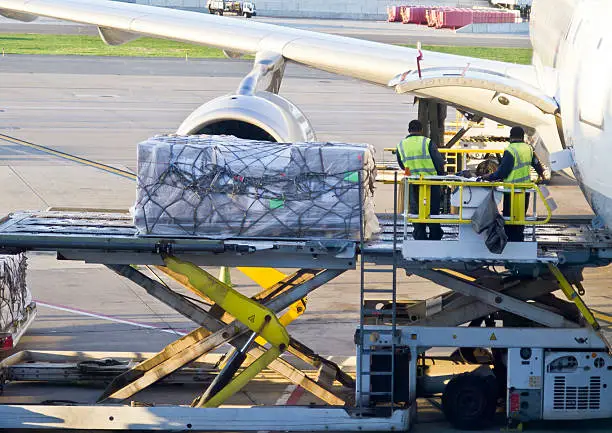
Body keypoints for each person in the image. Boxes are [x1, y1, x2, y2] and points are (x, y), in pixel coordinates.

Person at [481, 126, 546, 242]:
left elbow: (503, 172)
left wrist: (488, 177)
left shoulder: (510, 150)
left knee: (510, 218)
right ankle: (519, 239)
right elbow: (536, 163)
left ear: (511, 137)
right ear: (522, 137)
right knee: (520, 217)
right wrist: (541, 174)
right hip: (525, 190)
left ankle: (511, 242)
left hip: (512, 191)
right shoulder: (529, 148)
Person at [396, 119, 446, 240]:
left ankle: (419, 234)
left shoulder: (401, 145)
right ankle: (435, 235)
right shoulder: (427, 142)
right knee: (432, 210)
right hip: (431, 181)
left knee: (416, 210)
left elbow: (402, 165)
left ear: (409, 130)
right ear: (422, 130)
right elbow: (438, 162)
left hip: (413, 182)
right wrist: (441, 177)